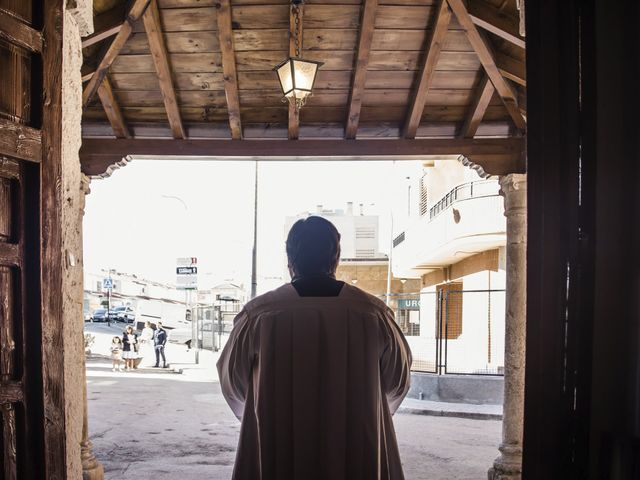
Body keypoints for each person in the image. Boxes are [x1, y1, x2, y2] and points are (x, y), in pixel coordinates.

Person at [217, 216, 412, 480]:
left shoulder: (260, 315)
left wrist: (267, 408)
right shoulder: (373, 313)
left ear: (290, 261)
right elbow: (397, 382)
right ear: (336, 258)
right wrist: (362, 406)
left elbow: (234, 384)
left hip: (277, 445)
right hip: (358, 448)